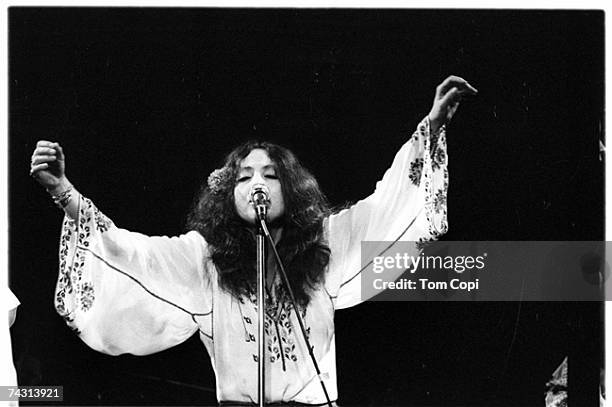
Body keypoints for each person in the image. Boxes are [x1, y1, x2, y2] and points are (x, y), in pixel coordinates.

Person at [29, 76, 477, 405]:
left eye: (270, 174)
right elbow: (136, 256)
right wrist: (62, 190)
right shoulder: (204, 261)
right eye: (244, 176)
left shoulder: (325, 248)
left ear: (292, 188)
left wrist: (432, 126)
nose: (257, 183)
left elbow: (384, 210)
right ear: (230, 194)